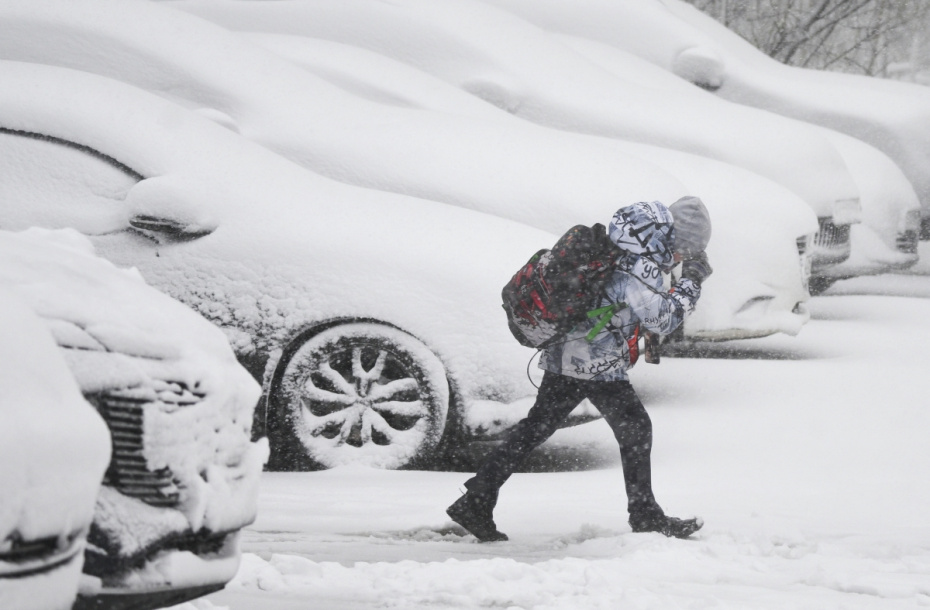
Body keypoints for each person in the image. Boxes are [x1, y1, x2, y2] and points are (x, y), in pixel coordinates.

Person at [446, 197, 713, 542]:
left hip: (570, 352)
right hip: (591, 361)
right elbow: (663, 318)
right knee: (633, 429)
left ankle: (477, 499)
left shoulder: (621, 244)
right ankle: (644, 515)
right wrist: (692, 280)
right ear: (674, 240)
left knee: (537, 428)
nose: (680, 258)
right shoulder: (637, 266)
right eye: (684, 250)